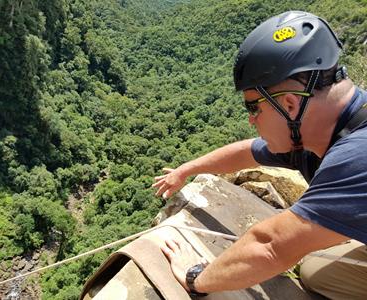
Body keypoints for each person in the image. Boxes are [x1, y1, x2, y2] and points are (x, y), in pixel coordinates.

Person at [153, 10, 367, 299]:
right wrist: (185, 170)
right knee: (317, 270)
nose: (251, 120)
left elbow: (271, 247)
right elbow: (247, 152)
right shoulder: (327, 128)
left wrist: (194, 277)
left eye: (253, 108)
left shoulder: (356, 157)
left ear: (290, 105)